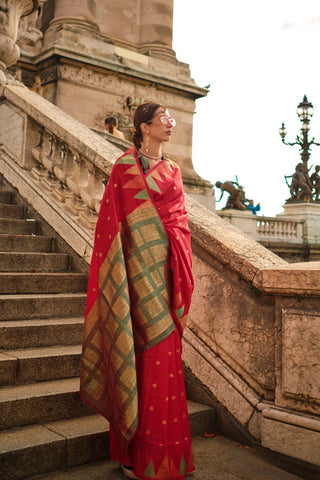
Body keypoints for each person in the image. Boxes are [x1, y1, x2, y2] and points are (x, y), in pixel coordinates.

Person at [80, 103, 195, 480]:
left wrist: (168, 245)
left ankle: (165, 457)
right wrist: (123, 271)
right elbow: (110, 227)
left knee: (162, 360)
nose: (170, 124)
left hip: (164, 277)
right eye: (163, 118)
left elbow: (180, 221)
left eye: (171, 119)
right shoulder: (123, 169)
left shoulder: (175, 171)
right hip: (130, 278)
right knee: (134, 357)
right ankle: (133, 454)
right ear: (144, 127)